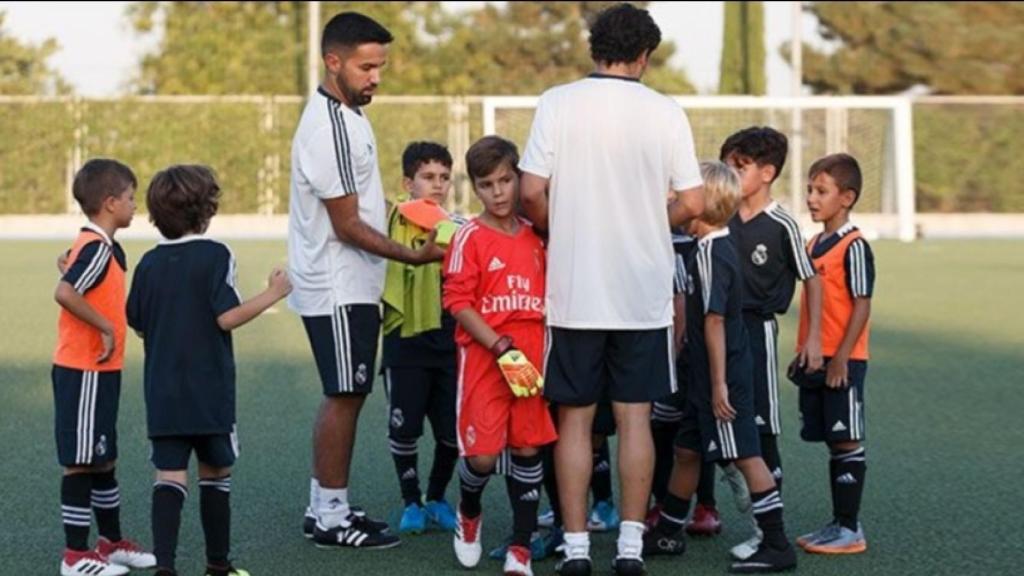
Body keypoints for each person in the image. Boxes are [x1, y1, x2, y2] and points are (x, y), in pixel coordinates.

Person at [518, 4, 704, 575]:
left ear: (594, 47)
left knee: (574, 420)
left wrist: (564, 225)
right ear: (645, 56)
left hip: (574, 291)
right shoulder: (665, 111)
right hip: (641, 292)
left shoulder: (557, 102)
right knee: (635, 419)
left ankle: (576, 549)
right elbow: (693, 203)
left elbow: (529, 193)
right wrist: (650, 219)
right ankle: (628, 547)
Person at [288, 11, 443, 549]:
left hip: (352, 284)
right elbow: (347, 224)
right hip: (336, 286)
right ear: (333, 62)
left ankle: (324, 505)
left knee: (347, 392)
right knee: (345, 393)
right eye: (365, 66)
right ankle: (331, 517)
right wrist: (412, 256)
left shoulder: (350, 116)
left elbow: (362, 207)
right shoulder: (328, 126)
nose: (376, 76)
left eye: (380, 66)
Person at [126, 165, 292, 576]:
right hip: (210, 389)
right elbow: (226, 318)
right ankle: (218, 565)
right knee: (216, 472)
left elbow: (137, 321)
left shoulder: (148, 263)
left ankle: (164, 566)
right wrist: (273, 293)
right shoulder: (217, 253)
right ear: (207, 210)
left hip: (162, 390)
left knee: (168, 474)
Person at [643, 161, 797, 574]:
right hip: (703, 375)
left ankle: (777, 543)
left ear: (703, 205)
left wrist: (718, 385)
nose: (675, 200)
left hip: (721, 376)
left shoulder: (712, 253)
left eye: (682, 195)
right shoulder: (709, 248)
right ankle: (669, 531)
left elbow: (714, 322)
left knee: (746, 454)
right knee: (687, 450)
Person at [444, 136, 558, 576]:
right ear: (475, 189)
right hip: (486, 356)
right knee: (483, 457)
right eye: (487, 184)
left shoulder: (536, 237)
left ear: (519, 179)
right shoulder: (469, 237)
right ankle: (469, 510)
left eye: (506, 180)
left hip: (531, 354)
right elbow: (457, 301)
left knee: (528, 447)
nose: (499, 192)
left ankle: (521, 548)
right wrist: (496, 345)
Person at [720, 126, 824, 560]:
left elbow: (812, 279)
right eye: (726, 165)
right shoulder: (719, 217)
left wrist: (813, 338)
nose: (729, 174)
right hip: (716, 331)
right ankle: (730, 478)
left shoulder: (781, 223)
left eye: (738, 167)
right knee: (715, 418)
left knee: (761, 430)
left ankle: (766, 533)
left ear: (766, 173)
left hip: (757, 332)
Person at [52, 158, 156, 576]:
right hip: (84, 371)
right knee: (80, 461)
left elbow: (80, 278)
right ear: (110, 203)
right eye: (131, 198)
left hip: (101, 373)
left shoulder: (103, 247)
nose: (136, 206)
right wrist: (106, 328)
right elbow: (65, 291)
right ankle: (75, 556)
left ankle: (110, 544)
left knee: (103, 458)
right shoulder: (96, 247)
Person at [794, 153, 874, 555]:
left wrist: (841, 356)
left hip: (843, 360)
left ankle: (850, 529)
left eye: (821, 191)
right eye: (810, 189)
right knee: (831, 441)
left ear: (846, 198)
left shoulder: (855, 246)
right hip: (815, 358)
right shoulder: (813, 243)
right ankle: (838, 523)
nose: (811, 198)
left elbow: (862, 303)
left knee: (846, 440)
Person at [381, 141, 461, 534]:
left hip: (449, 342)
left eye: (445, 177)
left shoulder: (456, 226)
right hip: (405, 342)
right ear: (408, 182)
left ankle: (437, 496)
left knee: (452, 431)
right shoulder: (393, 218)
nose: (438, 184)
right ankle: (410, 501)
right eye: (428, 177)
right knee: (404, 428)